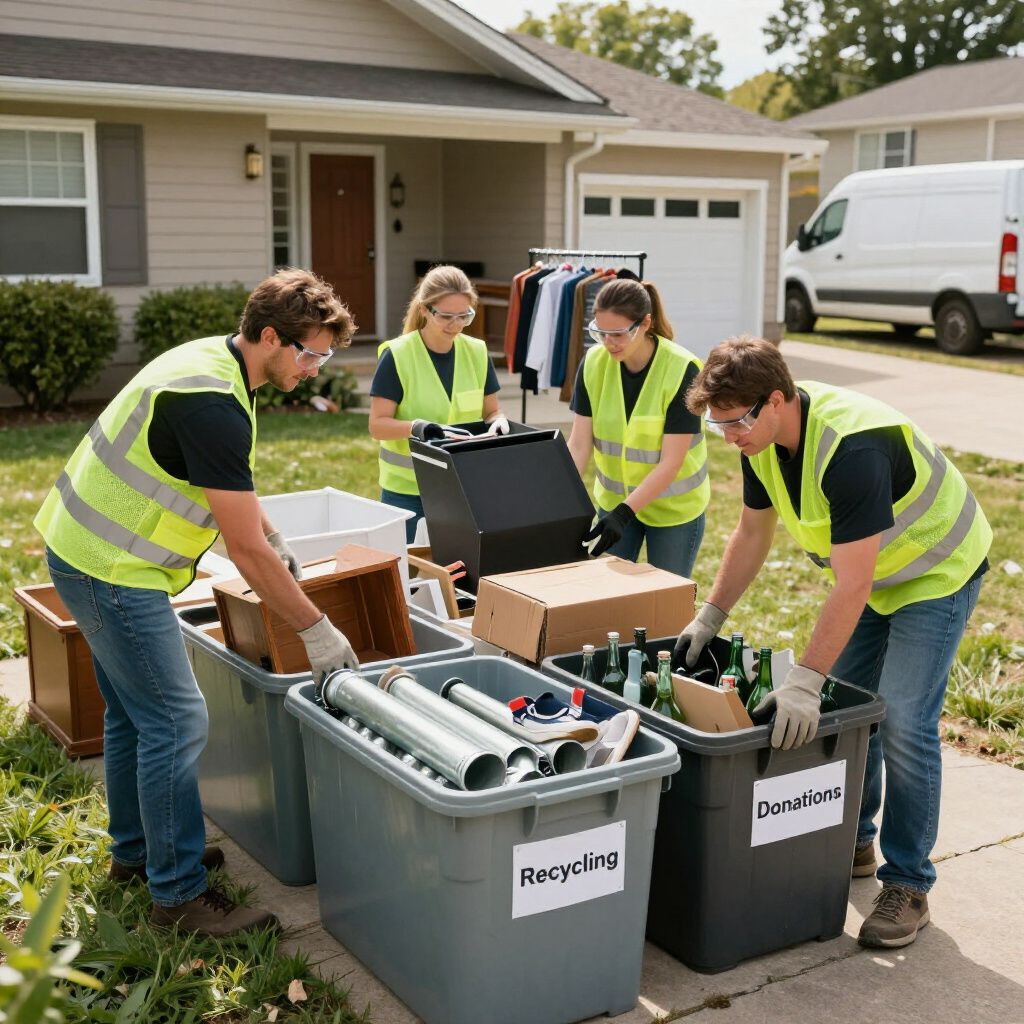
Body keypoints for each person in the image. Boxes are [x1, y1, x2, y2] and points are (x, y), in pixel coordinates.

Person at [33, 269, 361, 937]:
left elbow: (230, 499)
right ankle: (177, 896)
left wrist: (271, 530)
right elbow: (244, 555)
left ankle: (139, 855)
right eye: (312, 353)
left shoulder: (216, 362)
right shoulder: (212, 403)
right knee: (177, 721)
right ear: (271, 336)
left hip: (84, 551)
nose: (318, 368)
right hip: (112, 571)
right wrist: (317, 631)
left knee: (133, 715)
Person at [677, 335, 991, 949]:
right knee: (851, 712)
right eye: (719, 427)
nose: (730, 436)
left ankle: (908, 884)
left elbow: (852, 584)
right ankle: (854, 840)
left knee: (900, 717)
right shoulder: (759, 439)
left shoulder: (852, 449)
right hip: (873, 576)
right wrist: (710, 614)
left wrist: (804, 681)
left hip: (935, 570)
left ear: (776, 400)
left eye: (736, 422)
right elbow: (751, 532)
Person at [567, 279, 709, 578]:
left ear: (645, 323)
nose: (609, 343)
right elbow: (579, 444)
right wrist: (559, 500)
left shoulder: (682, 369)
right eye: (601, 333)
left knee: (665, 601)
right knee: (609, 601)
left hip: (674, 511)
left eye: (619, 334)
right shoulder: (593, 363)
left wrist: (624, 513)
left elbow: (672, 462)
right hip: (614, 504)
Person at [368, 265, 508, 543]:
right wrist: (419, 427)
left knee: (457, 575)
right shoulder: (397, 355)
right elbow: (377, 425)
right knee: (407, 574)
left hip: (462, 488)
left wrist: (498, 422)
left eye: (464, 316)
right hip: (407, 492)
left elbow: (491, 410)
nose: (455, 325)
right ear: (424, 310)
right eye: (445, 316)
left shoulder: (478, 353)